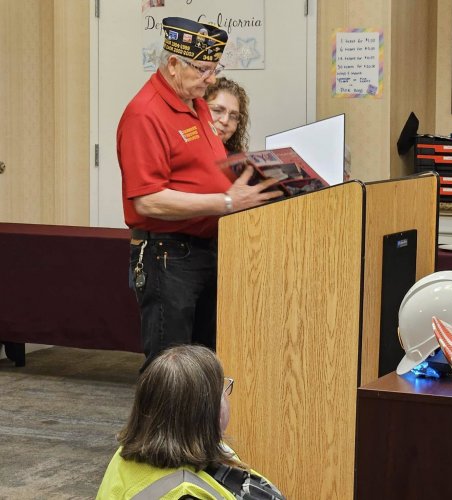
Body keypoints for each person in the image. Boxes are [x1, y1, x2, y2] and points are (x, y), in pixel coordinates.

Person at [117, 17, 281, 371]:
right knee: (170, 370)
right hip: (167, 257)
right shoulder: (145, 114)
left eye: (214, 69)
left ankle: (196, 429)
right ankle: (158, 430)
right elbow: (148, 200)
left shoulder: (196, 104)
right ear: (173, 65)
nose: (210, 79)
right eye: (203, 70)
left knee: (203, 366)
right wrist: (226, 202)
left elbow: (203, 171)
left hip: (205, 253)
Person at [96, 345, 286, 499]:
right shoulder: (185, 493)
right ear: (208, 412)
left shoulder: (128, 453)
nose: (227, 396)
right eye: (222, 389)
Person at [204, 77, 250, 154]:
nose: (225, 121)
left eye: (233, 116)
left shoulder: (237, 159)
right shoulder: (182, 152)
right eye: (217, 110)